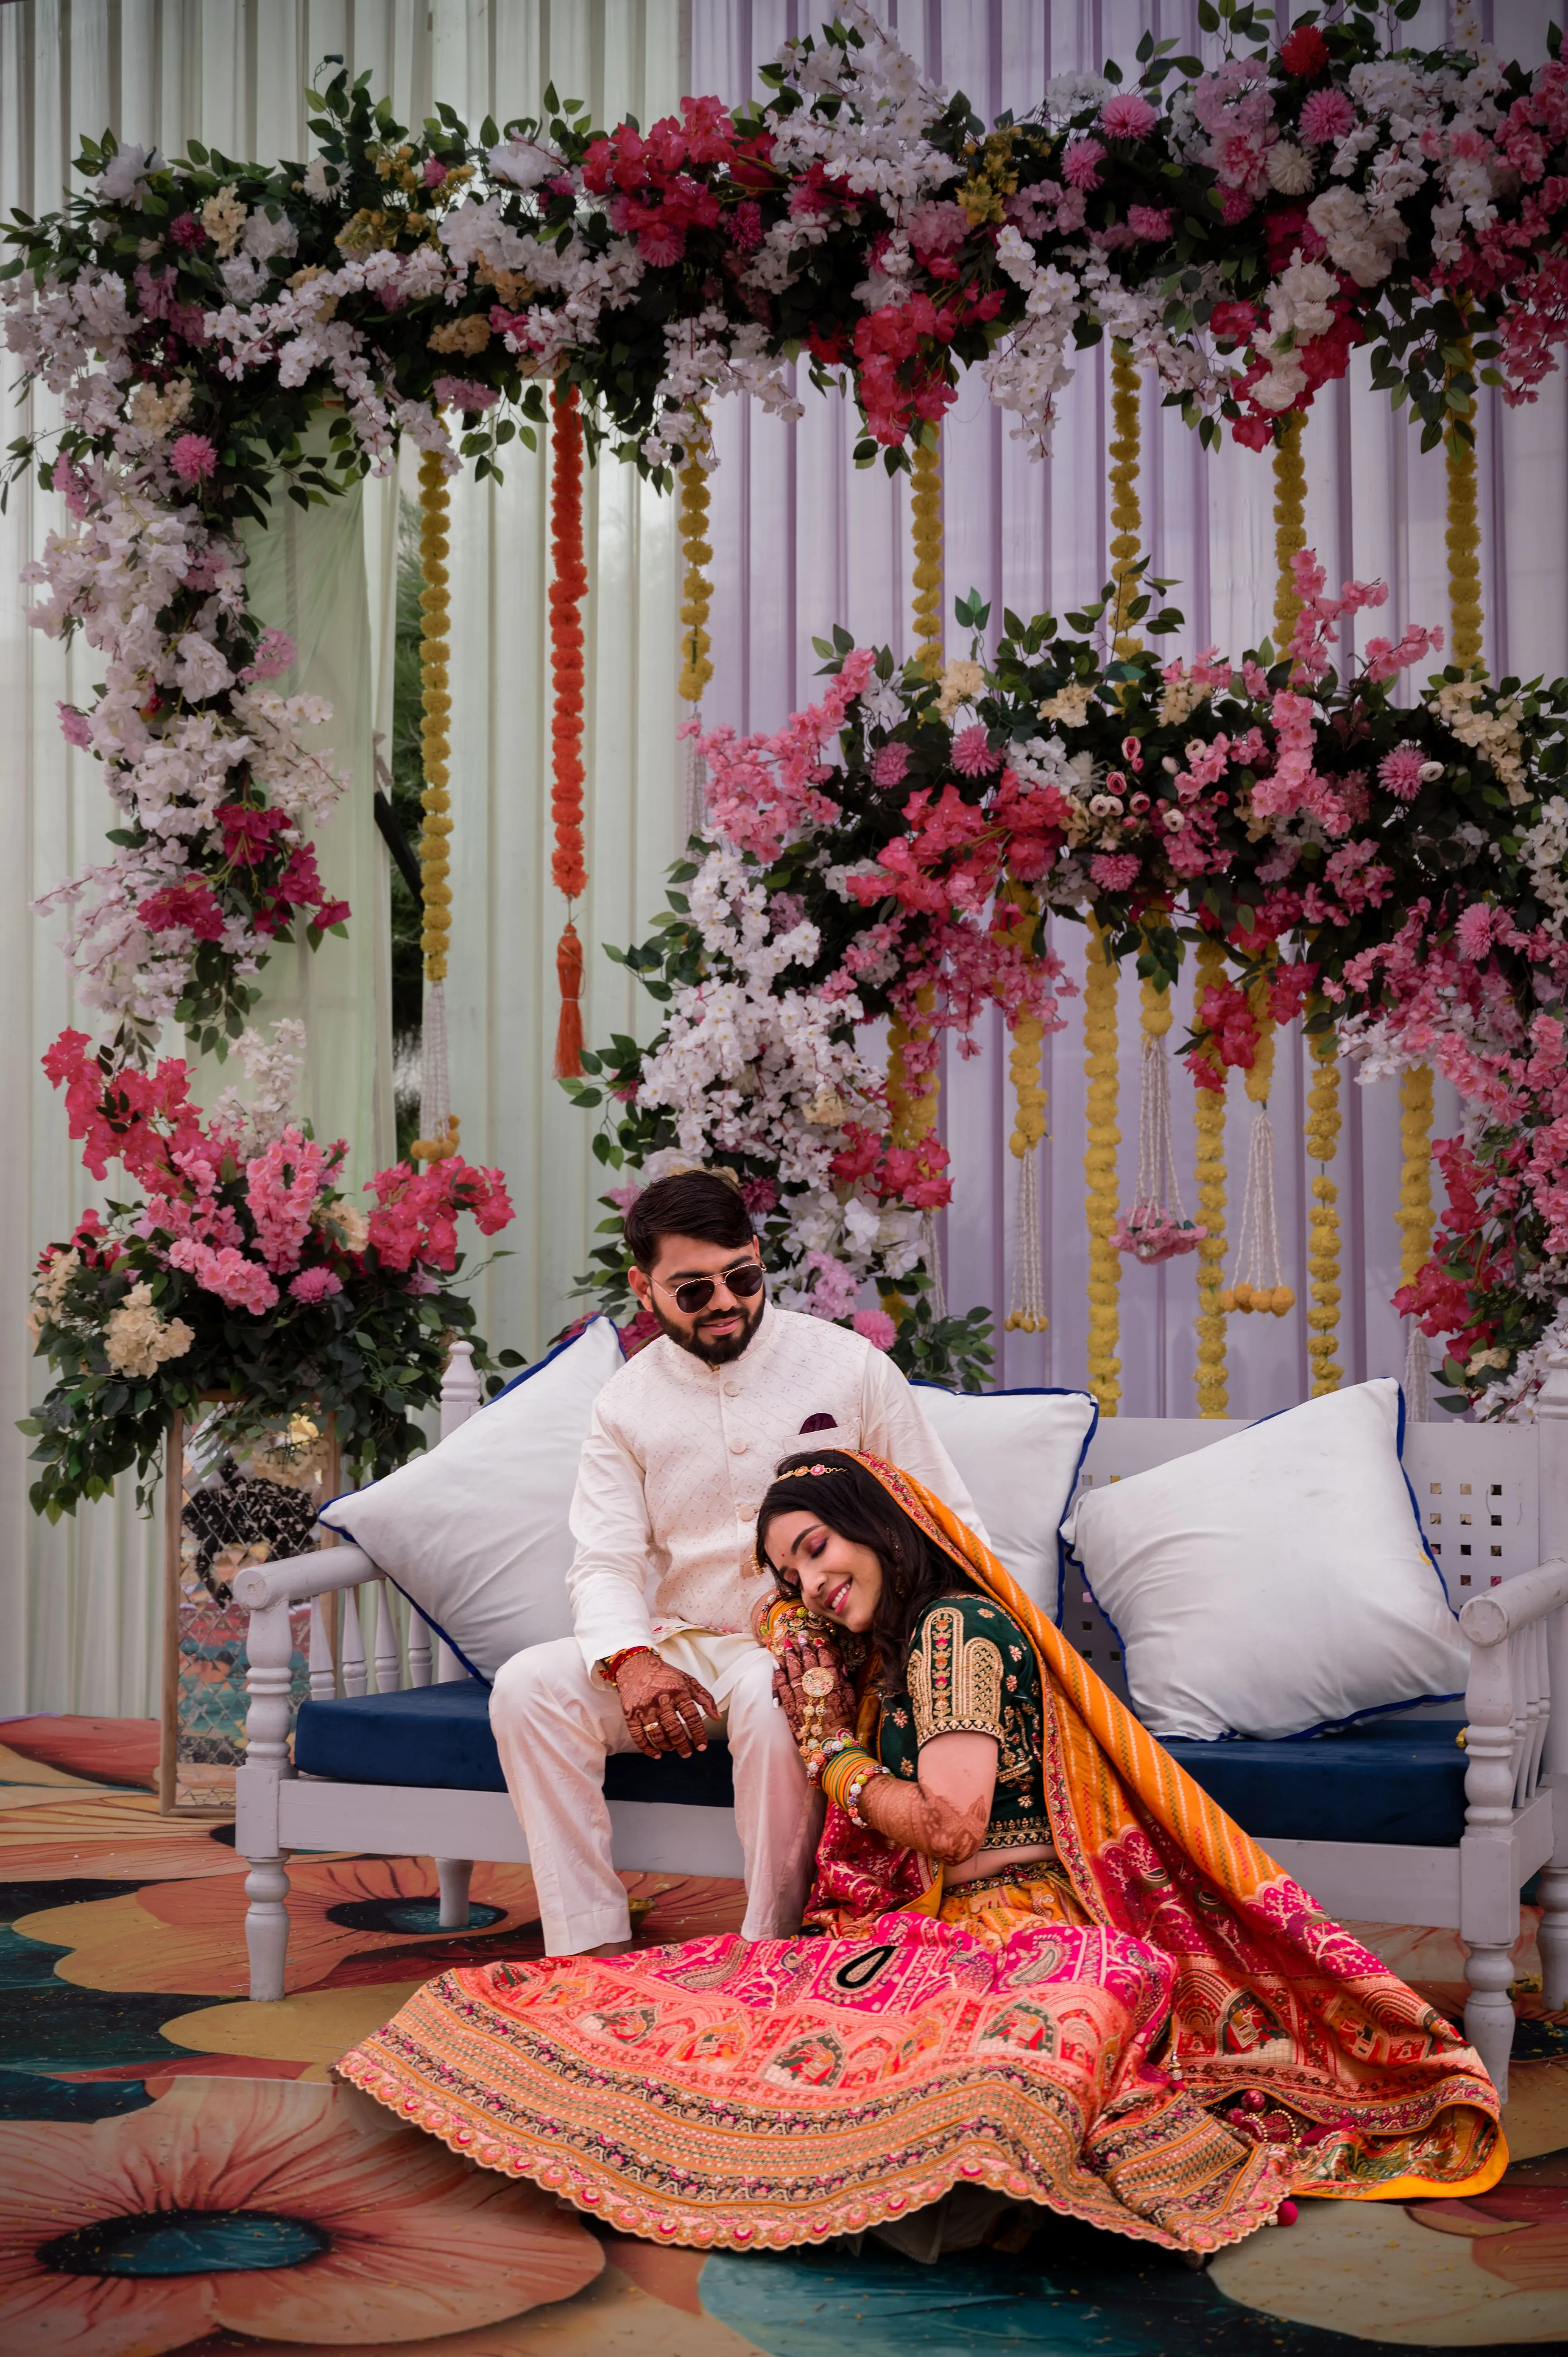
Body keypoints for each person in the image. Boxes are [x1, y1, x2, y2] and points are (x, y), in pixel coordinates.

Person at [341, 1450, 1504, 2260]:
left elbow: (948, 1825)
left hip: (1021, 1931)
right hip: (945, 1931)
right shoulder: (903, 1645)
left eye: (817, 1550)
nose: (808, 1582)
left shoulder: (953, 1631)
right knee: (728, 2023)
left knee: (944, 2082)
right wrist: (804, 1646)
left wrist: (833, 1750)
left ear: (879, 1524)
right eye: (789, 1573)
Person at [486, 1171, 983, 1958]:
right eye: (691, 1290)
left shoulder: (846, 1367)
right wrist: (634, 1662)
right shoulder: (625, 1403)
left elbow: (942, 1519)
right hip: (686, 1644)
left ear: (757, 1259)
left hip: (817, 1648)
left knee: (764, 1687)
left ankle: (769, 1946)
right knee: (526, 1690)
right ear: (642, 1289)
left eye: (741, 1278)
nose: (724, 1302)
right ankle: (586, 1944)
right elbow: (605, 1559)